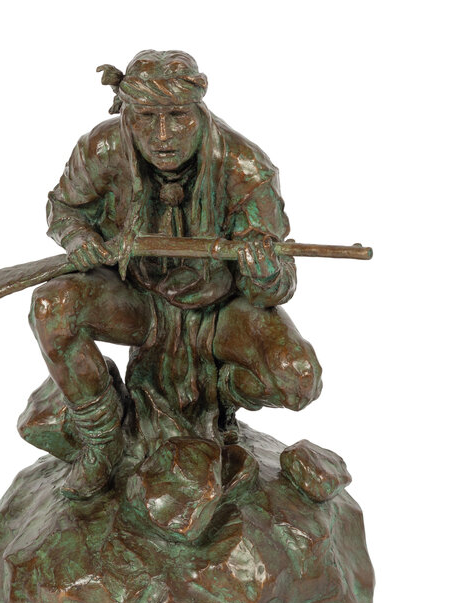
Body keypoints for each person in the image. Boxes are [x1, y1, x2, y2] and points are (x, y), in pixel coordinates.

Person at [27, 50, 322, 498]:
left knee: (298, 377)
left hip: (218, 311)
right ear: (126, 112)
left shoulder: (246, 167)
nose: (162, 135)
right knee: (52, 308)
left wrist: (263, 273)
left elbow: (278, 284)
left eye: (178, 116)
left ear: (199, 110)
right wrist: (78, 238)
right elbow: (63, 208)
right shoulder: (102, 149)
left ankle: (219, 401)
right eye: (147, 118)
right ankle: (102, 441)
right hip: (135, 298)